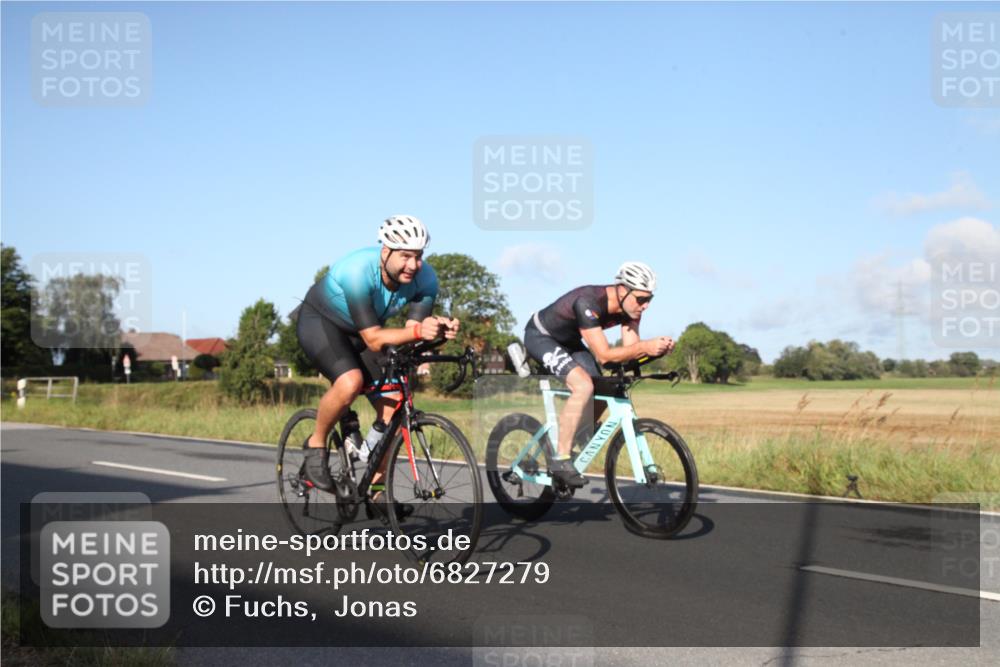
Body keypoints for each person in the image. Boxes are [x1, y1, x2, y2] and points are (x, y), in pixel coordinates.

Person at [295, 215, 459, 513]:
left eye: (418, 256)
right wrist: (418, 331)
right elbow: (373, 339)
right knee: (350, 382)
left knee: (396, 404)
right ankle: (316, 444)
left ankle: (377, 492)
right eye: (405, 256)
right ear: (386, 252)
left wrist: (438, 331)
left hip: (363, 331)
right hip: (322, 324)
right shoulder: (358, 270)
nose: (413, 265)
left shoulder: (426, 280)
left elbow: (413, 332)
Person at [523, 261, 674, 487]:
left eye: (649, 299)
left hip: (571, 342)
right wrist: (645, 347)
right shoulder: (589, 301)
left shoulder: (631, 309)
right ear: (622, 290)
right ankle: (560, 460)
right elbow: (604, 356)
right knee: (583, 386)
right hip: (541, 336)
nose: (645, 306)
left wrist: (655, 352)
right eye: (641, 299)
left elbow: (629, 353)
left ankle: (577, 436)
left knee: (606, 387)